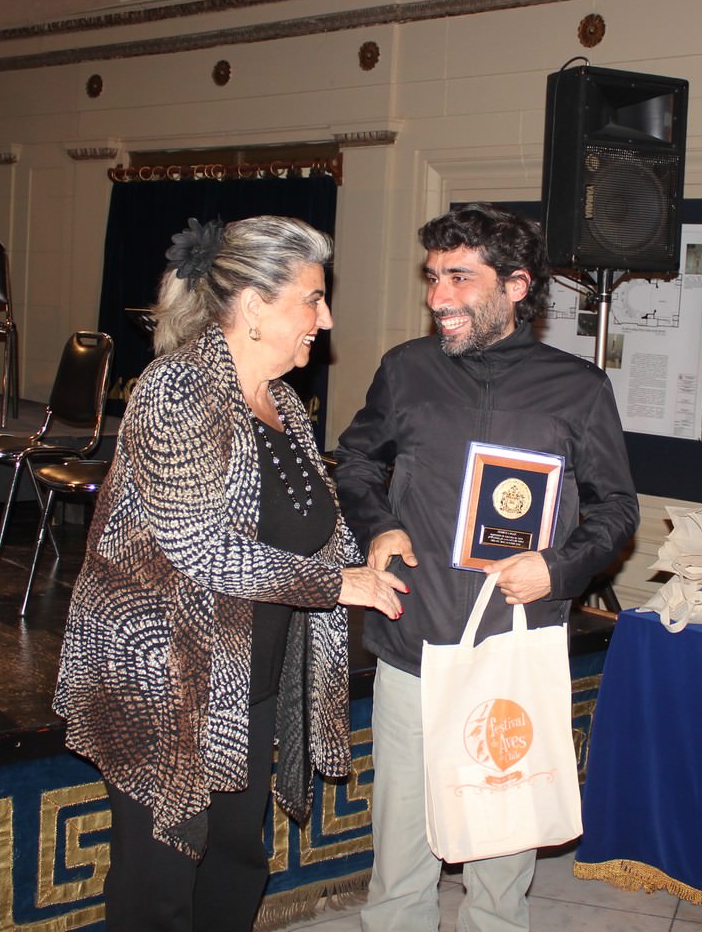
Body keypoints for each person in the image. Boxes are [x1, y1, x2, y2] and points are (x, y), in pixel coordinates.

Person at [53, 215, 408, 932]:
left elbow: (310, 520)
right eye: (312, 297)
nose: (326, 317)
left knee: (237, 858)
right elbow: (201, 548)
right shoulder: (177, 390)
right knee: (160, 879)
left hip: (247, 676)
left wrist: (365, 550)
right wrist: (343, 585)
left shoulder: (279, 403)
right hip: (163, 676)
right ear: (251, 307)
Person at [333, 202, 639, 931]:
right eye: (433, 277)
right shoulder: (405, 371)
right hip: (416, 640)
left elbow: (617, 510)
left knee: (502, 850)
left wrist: (560, 569)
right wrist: (380, 529)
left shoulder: (579, 389)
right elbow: (354, 462)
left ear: (515, 286)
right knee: (402, 843)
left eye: (460, 278)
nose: (439, 297)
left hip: (516, 644)